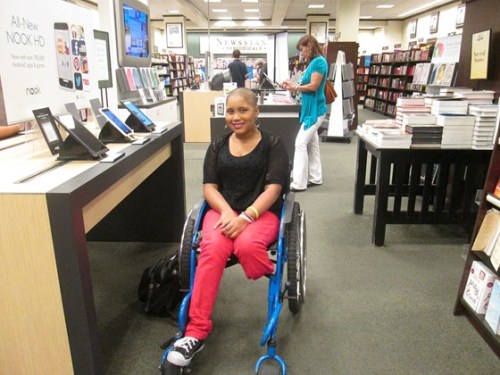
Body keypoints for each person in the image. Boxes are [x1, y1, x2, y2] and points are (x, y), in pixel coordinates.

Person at [167, 88, 290, 367]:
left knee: (247, 246)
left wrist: (245, 218)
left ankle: (266, 271)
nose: (236, 117)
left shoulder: (273, 144)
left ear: (256, 111)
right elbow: (209, 187)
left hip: (261, 213)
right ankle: (195, 332)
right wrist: (225, 211)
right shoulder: (218, 145)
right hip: (223, 212)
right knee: (211, 249)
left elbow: (274, 188)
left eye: (243, 110)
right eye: (230, 111)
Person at [282, 35, 328, 192]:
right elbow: (306, 83)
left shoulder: (319, 62)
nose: (302, 53)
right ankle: (315, 177)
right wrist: (292, 85)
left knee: (300, 143)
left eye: (302, 49)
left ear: (309, 45)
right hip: (310, 108)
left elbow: (314, 86)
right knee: (312, 144)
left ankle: (299, 183)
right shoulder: (313, 63)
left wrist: (295, 88)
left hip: (315, 109)